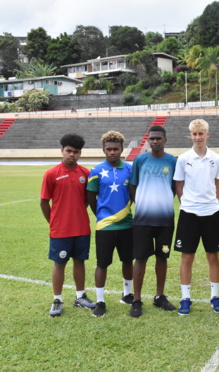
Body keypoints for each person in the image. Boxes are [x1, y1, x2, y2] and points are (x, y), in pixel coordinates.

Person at [173, 119, 219, 315]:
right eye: (194, 134)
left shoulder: (216, 159)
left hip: (211, 212)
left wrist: (211, 202)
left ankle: (215, 296)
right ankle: (186, 298)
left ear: (207, 135)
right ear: (190, 135)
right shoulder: (183, 158)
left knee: (213, 255)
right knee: (187, 256)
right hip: (189, 213)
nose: (197, 137)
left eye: (201, 133)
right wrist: (188, 203)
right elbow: (179, 186)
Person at [40, 133, 95, 317]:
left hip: (81, 228)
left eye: (76, 152)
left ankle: (80, 296)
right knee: (59, 263)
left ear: (80, 153)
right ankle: (57, 299)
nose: (72, 155)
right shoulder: (51, 174)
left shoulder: (85, 174)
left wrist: (77, 211)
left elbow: (87, 200)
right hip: (60, 230)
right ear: (62, 151)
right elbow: (44, 202)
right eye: (68, 151)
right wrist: (54, 222)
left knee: (80, 261)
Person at [129, 126, 177, 317]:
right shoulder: (140, 160)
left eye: (158, 138)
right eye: (152, 138)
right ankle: (137, 299)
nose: (155, 141)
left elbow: (174, 187)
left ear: (165, 140)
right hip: (142, 220)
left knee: (162, 257)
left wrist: (162, 201)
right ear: (148, 141)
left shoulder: (173, 161)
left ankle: (159, 296)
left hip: (165, 220)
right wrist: (141, 203)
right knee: (140, 258)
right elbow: (133, 185)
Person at [86, 130, 134, 318]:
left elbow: (133, 195)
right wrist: (101, 216)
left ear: (122, 149)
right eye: (109, 149)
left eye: (116, 149)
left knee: (127, 260)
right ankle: (100, 301)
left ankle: (127, 294)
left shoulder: (130, 170)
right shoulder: (96, 171)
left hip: (127, 225)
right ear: (104, 150)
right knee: (102, 264)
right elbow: (91, 197)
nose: (112, 152)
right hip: (105, 226)